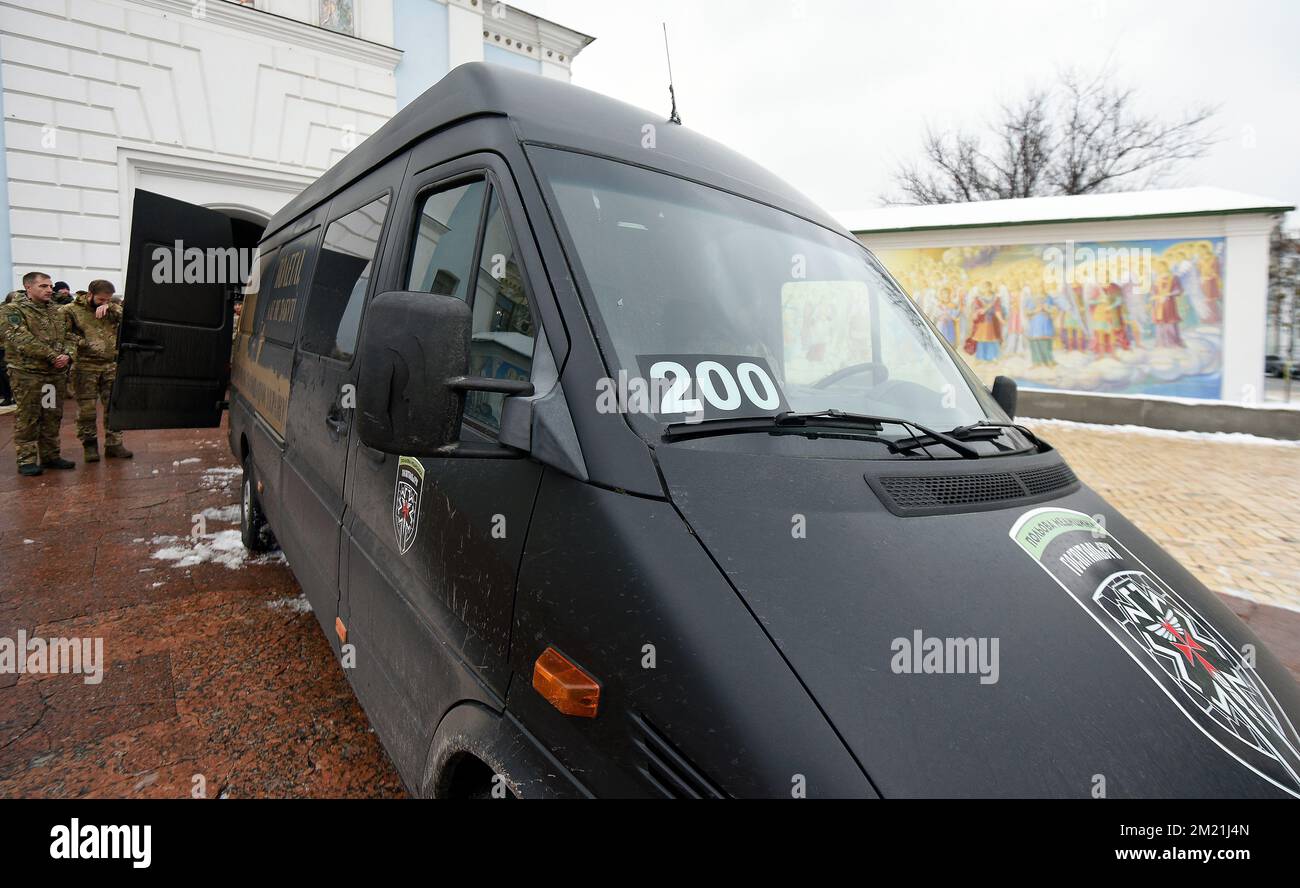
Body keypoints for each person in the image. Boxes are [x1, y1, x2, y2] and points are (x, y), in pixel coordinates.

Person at [3, 272, 75, 475]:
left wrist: (68, 355)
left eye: (50, 286)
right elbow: (20, 338)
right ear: (28, 287)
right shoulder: (12, 311)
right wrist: (53, 356)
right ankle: (26, 460)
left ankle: (51, 455)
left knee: (51, 414)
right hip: (28, 375)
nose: (49, 289)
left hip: (54, 375)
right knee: (29, 416)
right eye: (43, 286)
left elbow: (70, 335)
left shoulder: (57, 310)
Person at [62, 279, 132, 461]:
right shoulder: (70, 310)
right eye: (101, 300)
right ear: (90, 294)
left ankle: (114, 444)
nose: (104, 303)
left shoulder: (111, 310)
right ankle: (90, 446)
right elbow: (64, 335)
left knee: (113, 406)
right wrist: (86, 343)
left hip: (110, 365)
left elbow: (130, 321)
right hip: (85, 366)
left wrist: (112, 307)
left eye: (107, 300)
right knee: (87, 410)